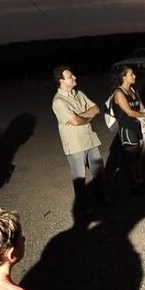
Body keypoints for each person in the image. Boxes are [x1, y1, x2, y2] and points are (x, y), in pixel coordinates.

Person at [51, 66, 107, 212]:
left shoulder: (78, 93)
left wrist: (83, 116)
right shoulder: (58, 102)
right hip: (75, 145)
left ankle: (102, 199)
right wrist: (84, 116)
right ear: (61, 81)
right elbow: (76, 121)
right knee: (80, 179)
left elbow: (96, 109)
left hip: (89, 139)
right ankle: (84, 208)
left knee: (99, 172)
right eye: (70, 76)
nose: (74, 77)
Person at [110, 65, 145, 193]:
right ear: (124, 77)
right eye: (131, 74)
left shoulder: (133, 90)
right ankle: (134, 184)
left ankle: (140, 180)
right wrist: (144, 115)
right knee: (132, 158)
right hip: (127, 128)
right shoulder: (119, 93)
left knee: (138, 156)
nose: (134, 76)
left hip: (138, 127)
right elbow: (129, 112)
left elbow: (142, 108)